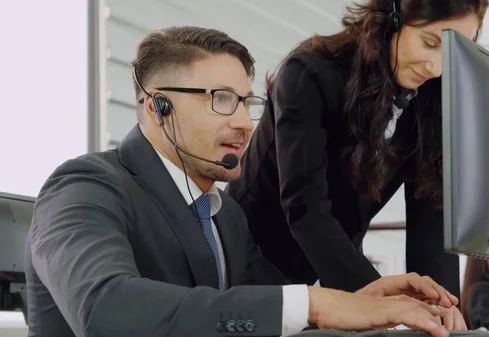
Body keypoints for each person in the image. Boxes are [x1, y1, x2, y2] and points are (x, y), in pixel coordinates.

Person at [24, 26, 462, 337]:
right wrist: (318, 303)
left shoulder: (225, 214)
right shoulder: (84, 187)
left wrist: (366, 300)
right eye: (221, 100)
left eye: (245, 102)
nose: (243, 123)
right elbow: (105, 308)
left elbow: (266, 308)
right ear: (157, 106)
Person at [225, 0, 489, 298]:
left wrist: (441, 307)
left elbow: (430, 216)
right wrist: (377, 297)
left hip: (333, 267)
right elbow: (305, 206)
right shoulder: (308, 74)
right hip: (252, 260)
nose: (436, 67)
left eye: (450, 53)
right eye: (429, 43)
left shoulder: (430, 99)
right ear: (392, 19)